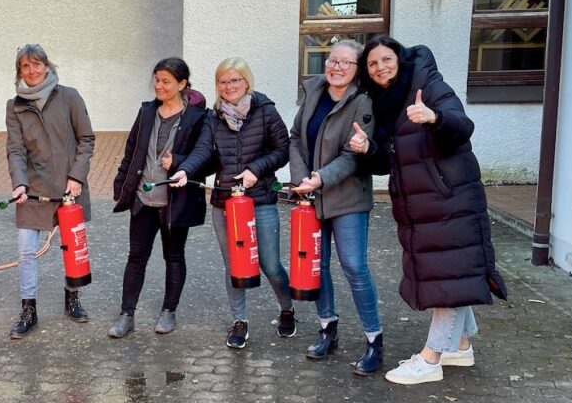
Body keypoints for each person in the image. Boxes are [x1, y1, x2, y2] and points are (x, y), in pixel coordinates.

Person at [354, 35, 507, 385]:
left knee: (447, 274)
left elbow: (462, 126)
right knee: (450, 270)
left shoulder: (428, 85)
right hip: (420, 203)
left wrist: (433, 117)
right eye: (373, 63)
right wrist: (368, 148)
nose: (380, 67)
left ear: (400, 58)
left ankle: (431, 357)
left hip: (449, 196)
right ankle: (461, 346)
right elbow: (389, 160)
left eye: (386, 59)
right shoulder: (382, 101)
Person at [174, 57, 295, 349]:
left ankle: (287, 309)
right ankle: (240, 321)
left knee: (270, 265)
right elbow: (203, 149)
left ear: (246, 82)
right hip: (225, 202)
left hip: (261, 200)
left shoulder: (265, 111)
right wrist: (185, 169)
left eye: (234, 80)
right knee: (234, 266)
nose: (228, 87)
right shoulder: (213, 118)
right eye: (222, 82)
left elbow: (283, 150)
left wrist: (256, 169)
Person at [288, 40, 383, 375]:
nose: (337, 67)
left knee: (355, 267)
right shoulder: (314, 91)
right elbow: (296, 137)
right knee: (319, 266)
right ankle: (328, 327)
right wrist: (301, 178)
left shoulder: (363, 102)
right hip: (311, 194)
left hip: (347, 199)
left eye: (346, 63)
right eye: (332, 61)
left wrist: (318, 179)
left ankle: (374, 340)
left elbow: (353, 156)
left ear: (357, 69)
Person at [108, 57, 211, 338]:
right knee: (136, 257)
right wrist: (122, 186)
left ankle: (169, 311)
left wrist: (177, 161)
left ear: (182, 84)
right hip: (143, 200)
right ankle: (126, 314)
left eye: (166, 81)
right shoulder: (146, 112)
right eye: (157, 80)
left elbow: (207, 157)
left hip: (174, 202)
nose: (159, 86)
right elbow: (131, 151)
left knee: (174, 256)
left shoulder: (197, 117)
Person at [5, 43, 95, 339]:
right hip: (33, 192)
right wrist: (19, 182)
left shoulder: (69, 97)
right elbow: (16, 150)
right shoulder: (15, 106)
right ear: (19, 71)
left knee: (71, 249)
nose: (31, 71)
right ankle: (29, 309)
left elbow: (86, 140)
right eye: (24, 66)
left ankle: (72, 298)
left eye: (36, 64)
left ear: (47, 66)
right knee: (25, 251)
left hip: (70, 189)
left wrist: (77, 176)